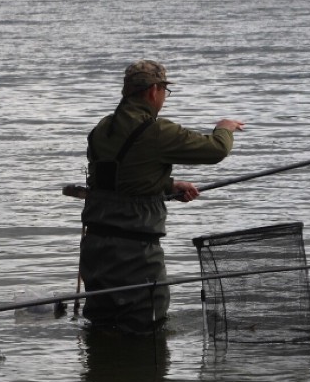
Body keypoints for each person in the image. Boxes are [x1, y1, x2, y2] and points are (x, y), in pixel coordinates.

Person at [79, 59, 245, 334]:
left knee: (103, 326)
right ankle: (146, 376)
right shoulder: (156, 131)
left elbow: (114, 181)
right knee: (146, 328)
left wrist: (168, 185)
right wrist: (224, 127)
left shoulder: (102, 129)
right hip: (135, 254)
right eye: (165, 91)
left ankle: (103, 374)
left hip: (95, 250)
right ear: (153, 91)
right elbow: (215, 150)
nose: (164, 98)